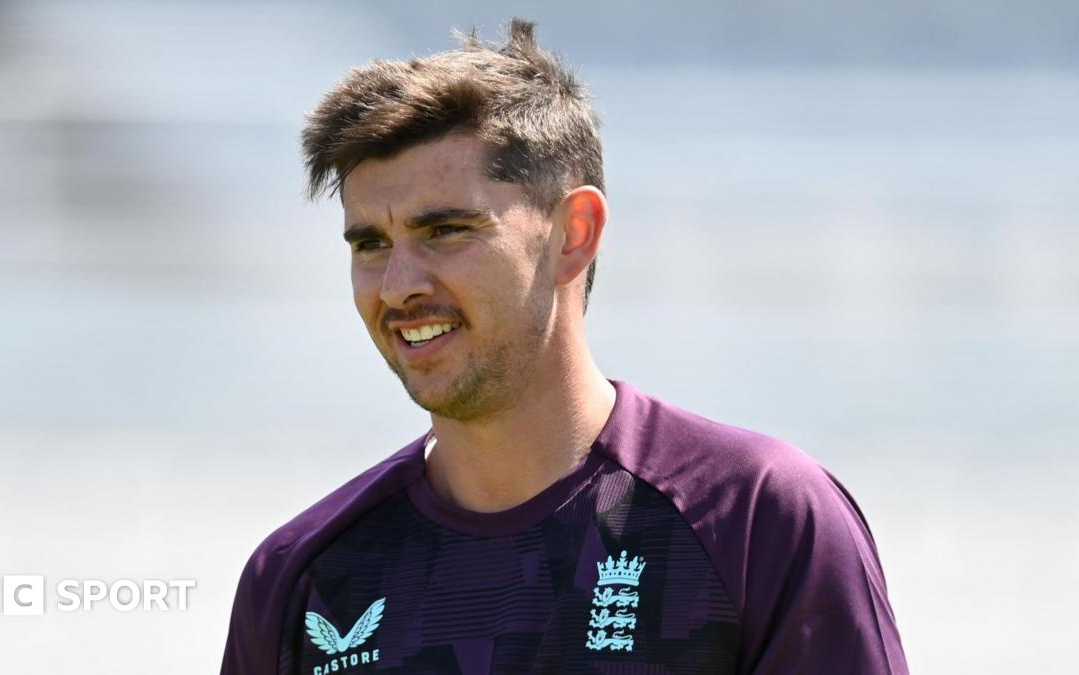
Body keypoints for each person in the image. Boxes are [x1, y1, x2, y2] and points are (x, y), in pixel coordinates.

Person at [221, 18, 907, 675]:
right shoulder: (300, 576)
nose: (399, 286)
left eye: (446, 231)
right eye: (371, 244)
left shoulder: (757, 518)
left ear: (573, 233)